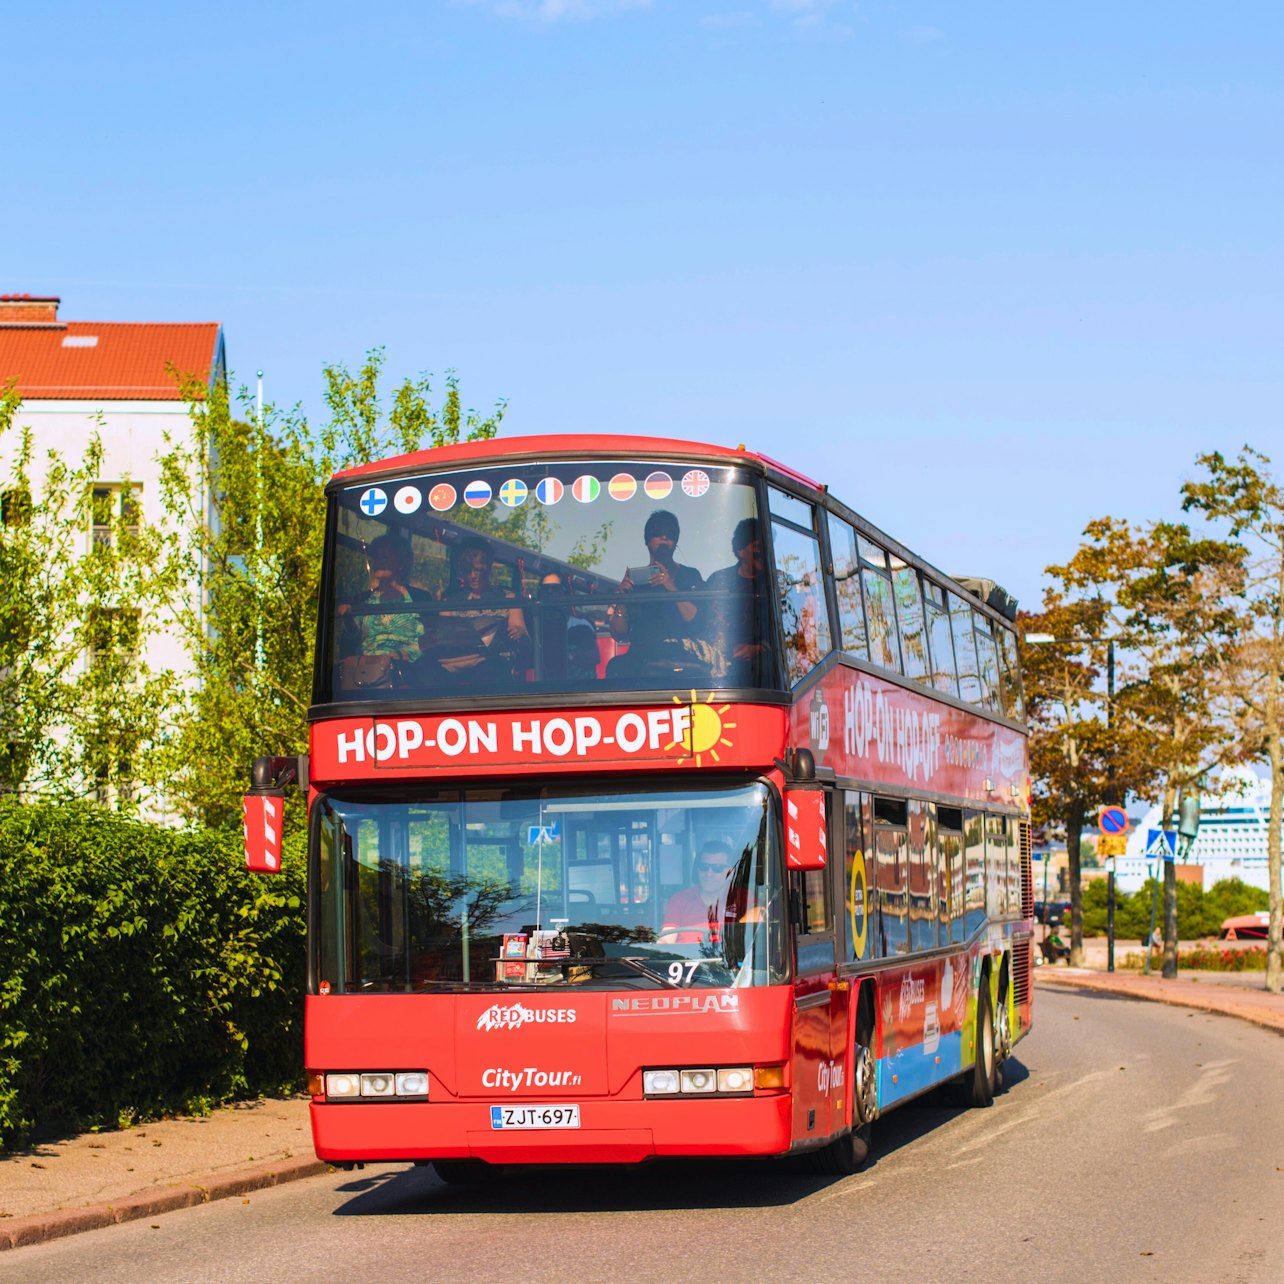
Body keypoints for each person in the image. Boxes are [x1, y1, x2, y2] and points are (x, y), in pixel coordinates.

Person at [606, 510, 707, 678]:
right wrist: (622, 599)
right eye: (657, 533)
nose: (664, 538)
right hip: (641, 661)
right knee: (615, 667)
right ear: (647, 540)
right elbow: (618, 634)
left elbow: (696, 621)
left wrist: (670, 585)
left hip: (681, 657)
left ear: (675, 542)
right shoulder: (636, 582)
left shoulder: (690, 576)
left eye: (670, 535)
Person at [423, 537, 528, 680]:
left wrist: (517, 631)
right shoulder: (450, 602)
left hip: (495, 664)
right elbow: (443, 635)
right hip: (458, 663)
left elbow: (520, 628)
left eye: (478, 570)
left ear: (489, 567)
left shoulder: (508, 598)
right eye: (468, 570)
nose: (473, 575)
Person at [337, 534, 424, 689]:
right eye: (376, 557)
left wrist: (400, 656)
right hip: (365, 671)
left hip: (408, 673)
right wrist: (348, 618)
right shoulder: (362, 600)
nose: (378, 561)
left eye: (385, 557)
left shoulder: (420, 598)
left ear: (401, 563)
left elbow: (429, 638)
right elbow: (351, 640)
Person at [704, 516, 767, 683]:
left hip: (762, 670)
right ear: (740, 551)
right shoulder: (718, 580)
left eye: (767, 546)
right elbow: (703, 621)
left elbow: (790, 637)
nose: (763, 553)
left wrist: (757, 649)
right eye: (758, 547)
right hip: (716, 664)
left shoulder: (777, 583)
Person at [660, 840, 737, 945]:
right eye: (704, 867)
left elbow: (756, 939)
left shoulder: (744, 900)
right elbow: (667, 939)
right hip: (686, 960)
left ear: (731, 872)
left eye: (717, 868)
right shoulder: (679, 900)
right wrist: (659, 946)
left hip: (730, 961)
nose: (709, 873)